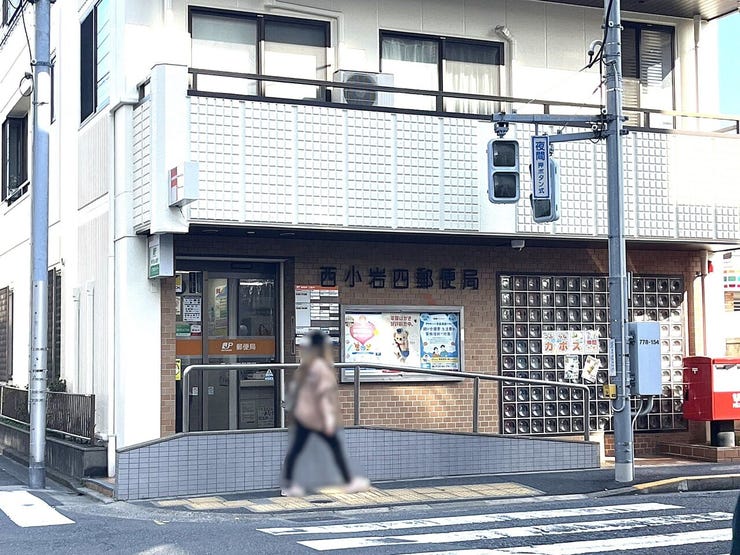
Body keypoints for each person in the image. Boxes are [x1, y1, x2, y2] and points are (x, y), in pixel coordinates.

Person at [281, 331, 370, 497]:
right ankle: (349, 481)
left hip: (302, 415)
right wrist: (328, 420)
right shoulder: (321, 367)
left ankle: (288, 485)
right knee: (335, 447)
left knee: (296, 450)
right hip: (317, 418)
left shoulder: (305, 366)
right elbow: (324, 397)